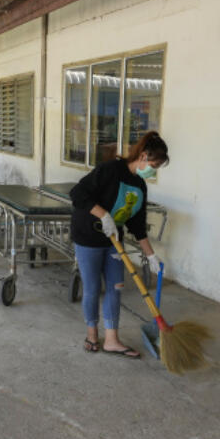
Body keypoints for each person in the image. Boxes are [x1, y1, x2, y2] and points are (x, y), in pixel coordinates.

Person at [69, 130, 167, 357]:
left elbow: (138, 225)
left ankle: (112, 339)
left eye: (158, 167)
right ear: (143, 156)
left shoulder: (140, 186)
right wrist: (103, 215)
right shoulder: (110, 170)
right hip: (88, 236)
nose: (154, 170)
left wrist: (151, 255)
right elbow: (78, 193)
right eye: (154, 164)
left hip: (114, 240)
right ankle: (92, 334)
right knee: (93, 289)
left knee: (116, 288)